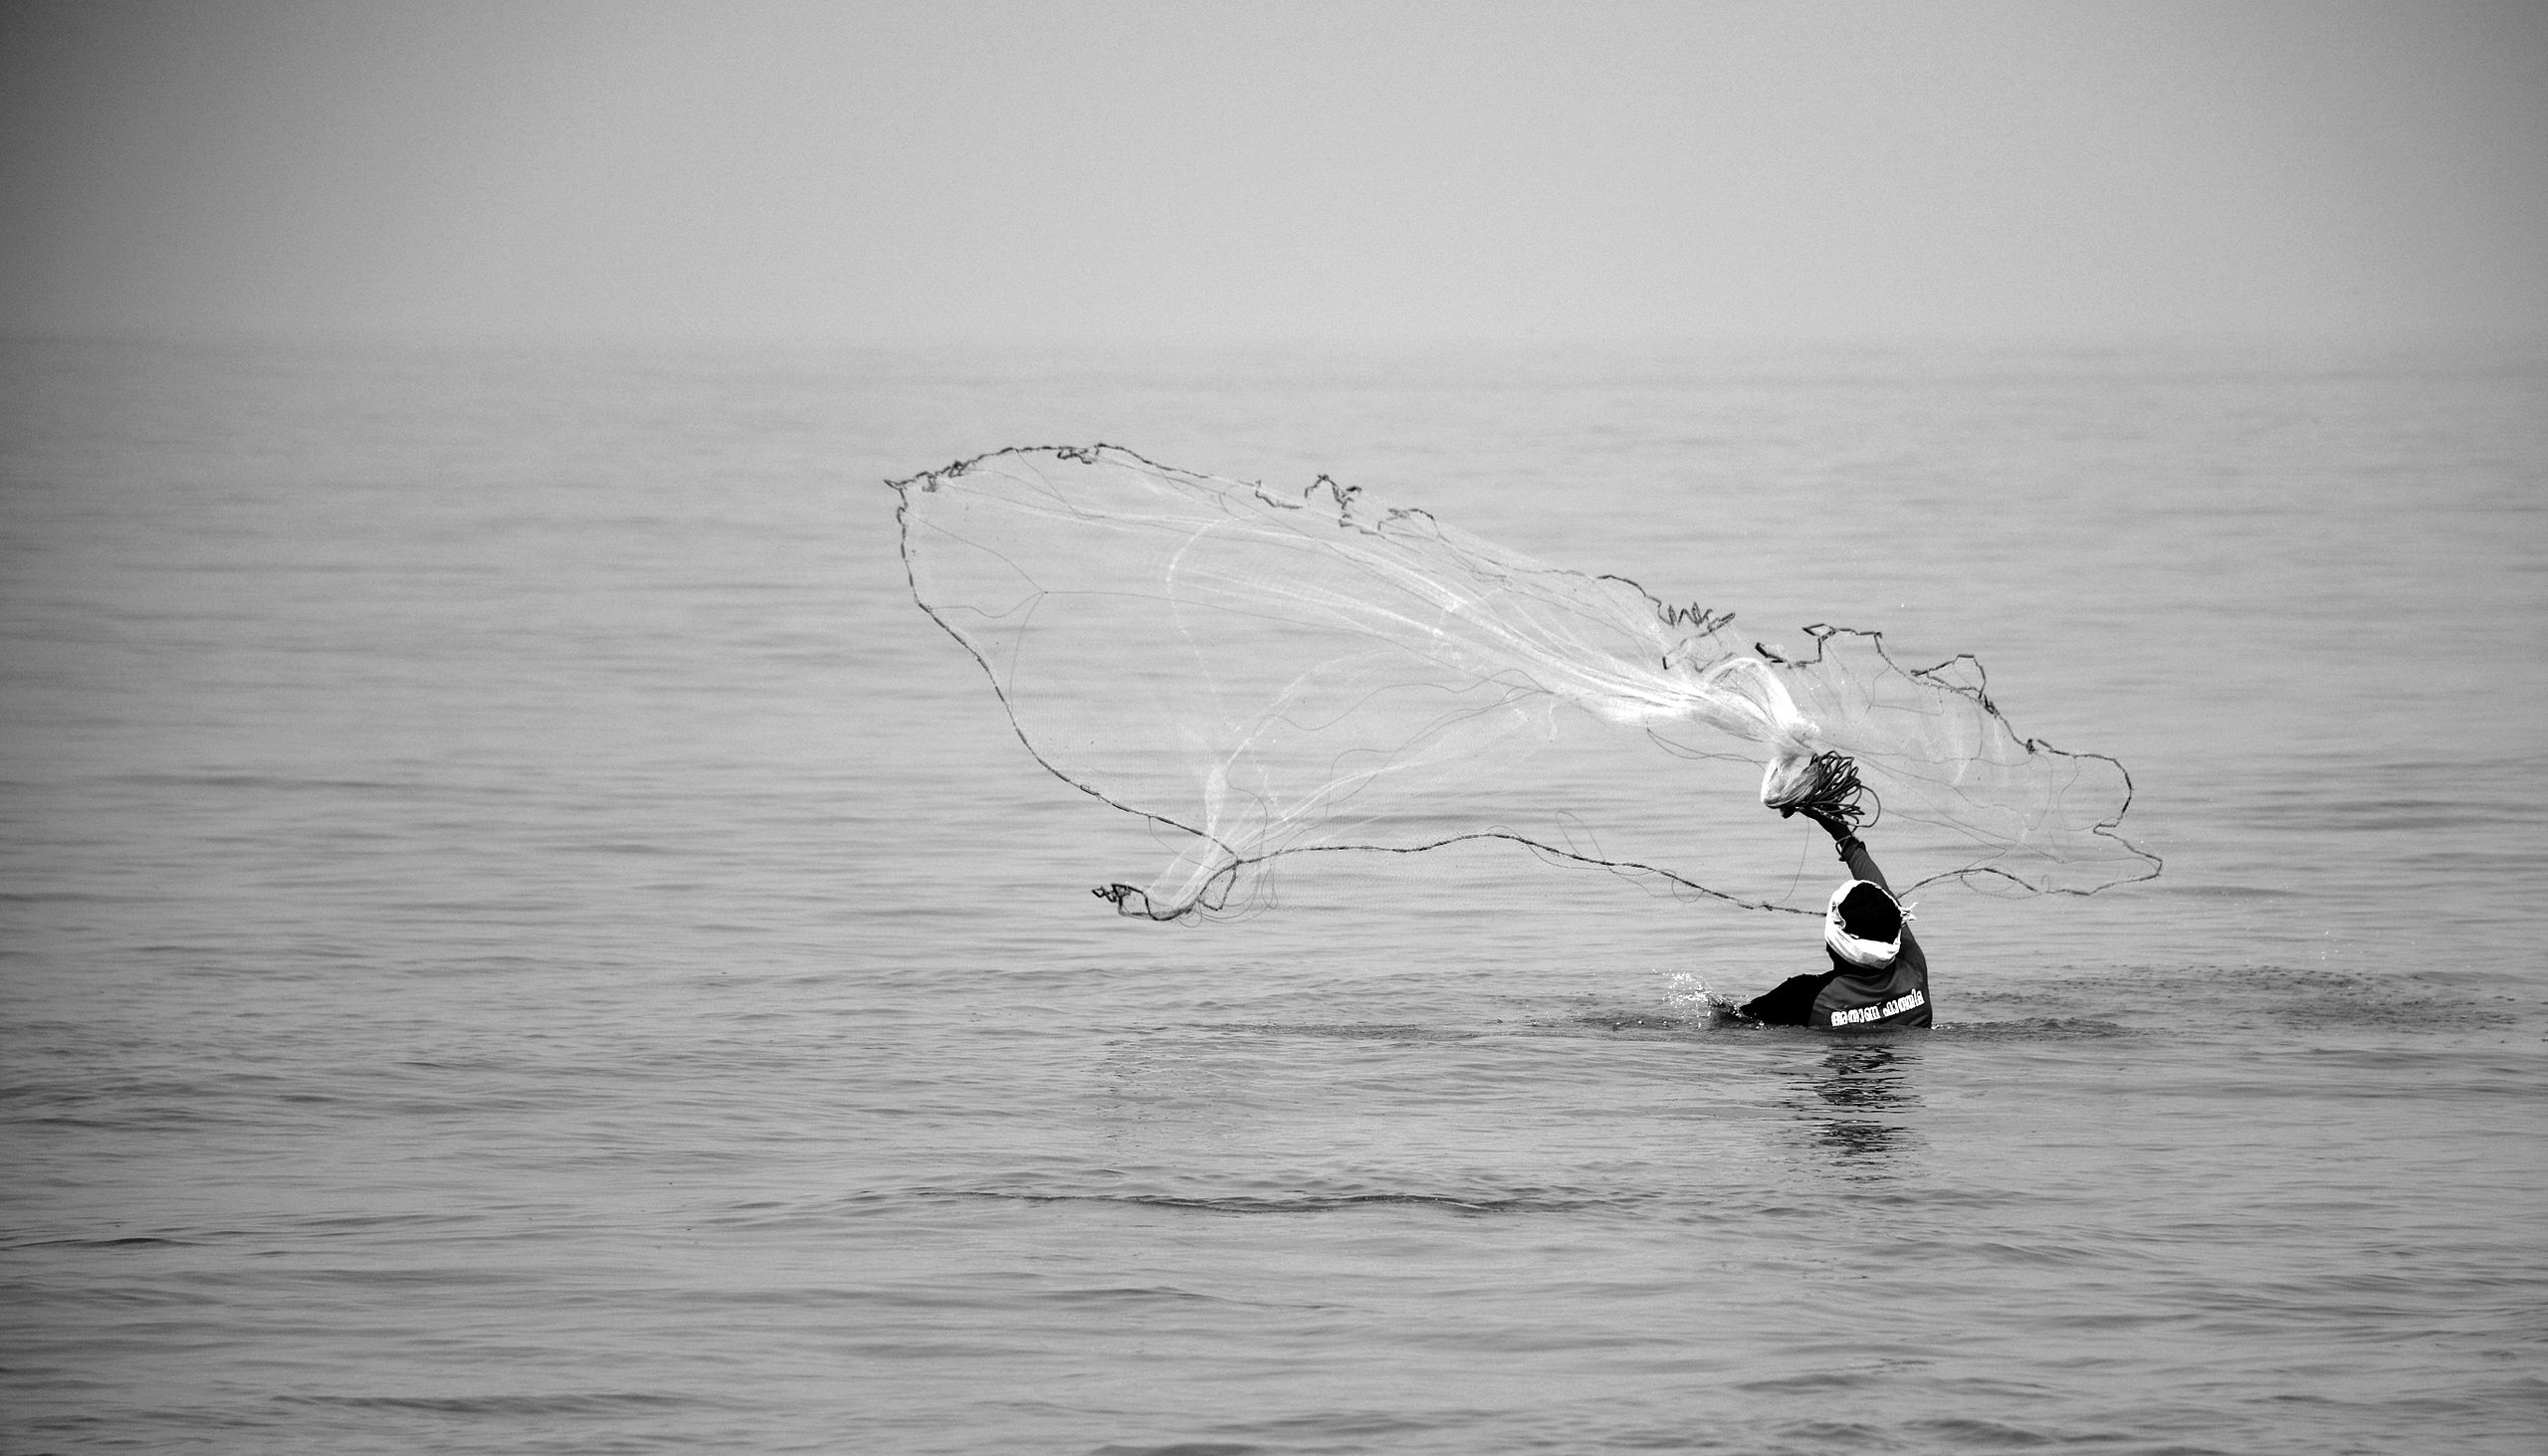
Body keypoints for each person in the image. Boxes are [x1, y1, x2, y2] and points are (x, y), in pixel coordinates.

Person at [1736, 803, 1933, 1030]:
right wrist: (1841, 832)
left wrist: (1839, 830)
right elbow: (1885, 896)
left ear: (1832, 943)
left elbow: (1730, 1025)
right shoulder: (1913, 969)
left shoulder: (1802, 997)